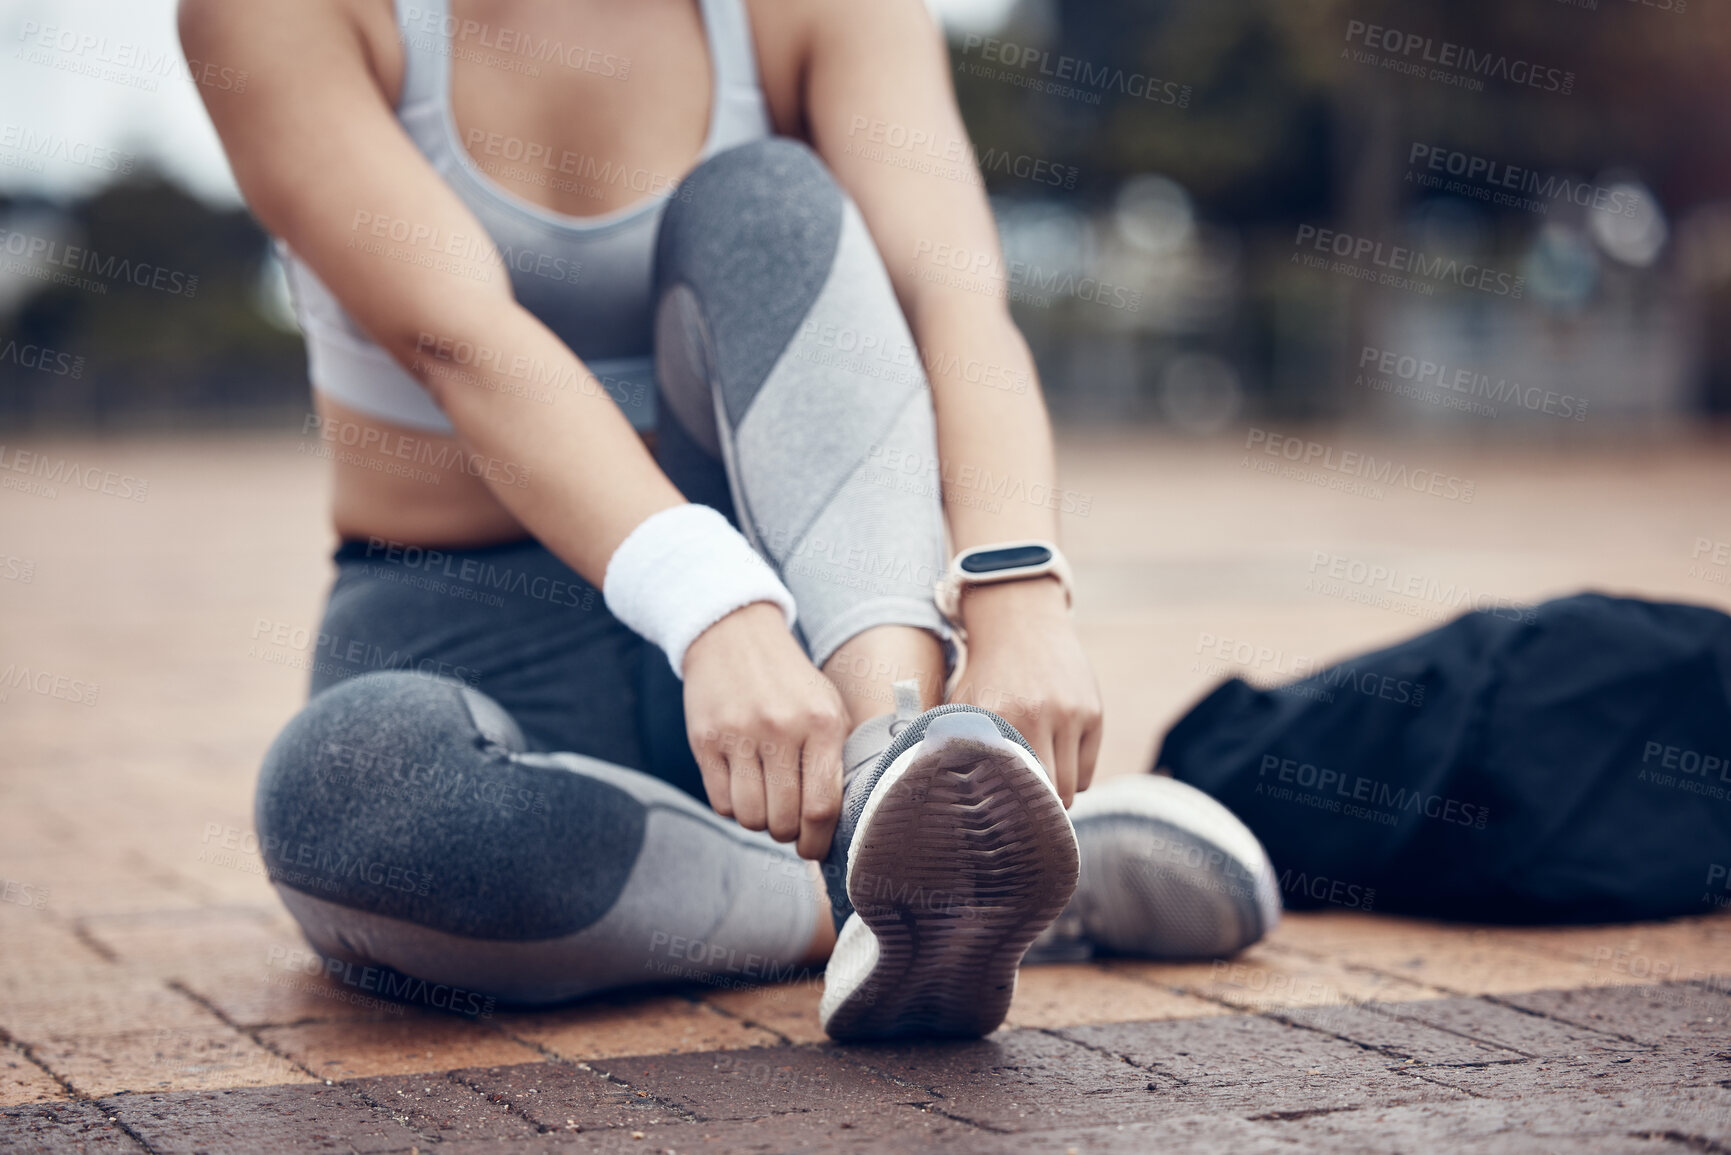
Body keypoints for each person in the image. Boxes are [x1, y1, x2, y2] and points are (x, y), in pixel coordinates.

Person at [182, 0, 1279, 1039]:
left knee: (768, 203)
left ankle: (886, 772)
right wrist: (715, 611)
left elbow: (953, 296)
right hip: (482, 626)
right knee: (350, 803)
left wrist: (1016, 589)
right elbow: (457, 338)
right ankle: (895, 897)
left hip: (807, 673)